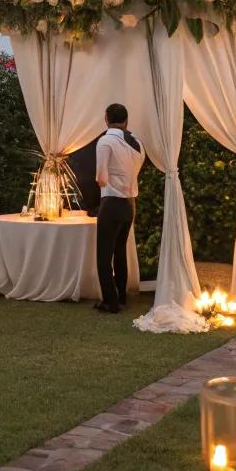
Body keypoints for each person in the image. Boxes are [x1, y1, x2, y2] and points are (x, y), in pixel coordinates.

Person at [94, 102, 145, 314]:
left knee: (103, 257)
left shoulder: (106, 141)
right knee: (120, 251)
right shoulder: (138, 144)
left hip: (112, 203)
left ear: (106, 118)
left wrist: (108, 184)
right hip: (129, 204)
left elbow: (100, 177)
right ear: (126, 120)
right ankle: (121, 296)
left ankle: (110, 302)